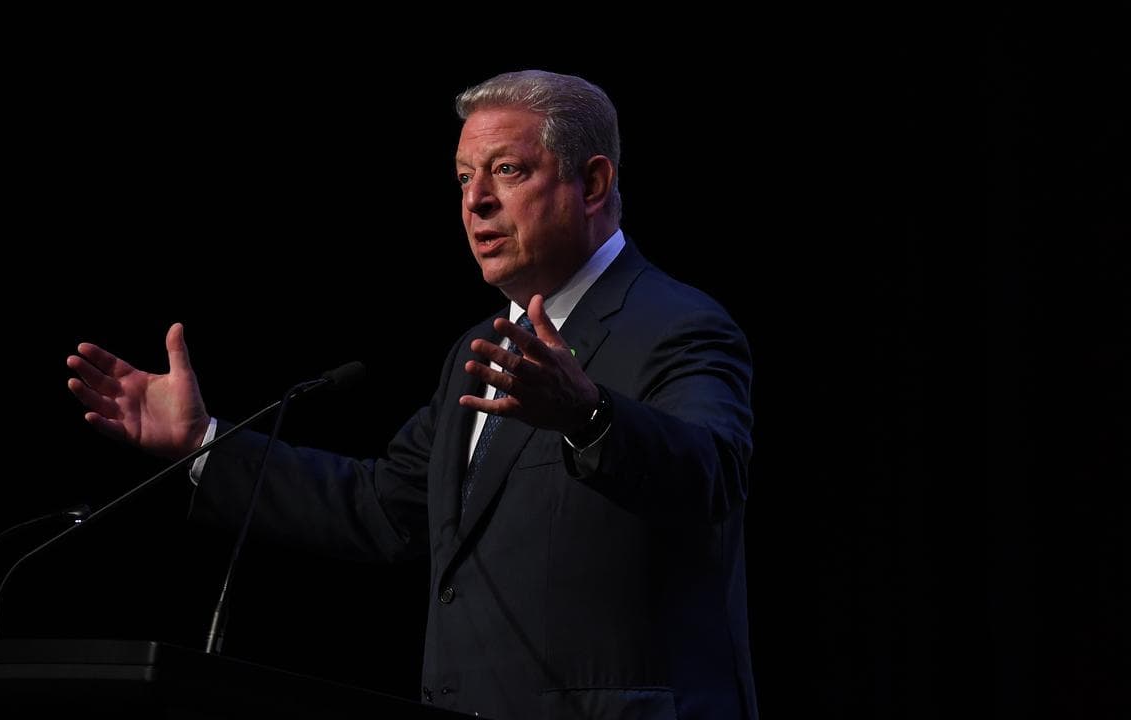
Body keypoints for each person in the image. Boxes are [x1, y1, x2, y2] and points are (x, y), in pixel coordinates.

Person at [67, 70, 757, 719]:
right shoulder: (477, 351)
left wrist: (590, 416)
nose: (475, 201)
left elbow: (713, 476)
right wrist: (204, 444)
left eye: (506, 171)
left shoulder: (676, 324)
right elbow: (380, 509)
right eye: (463, 178)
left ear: (594, 181)